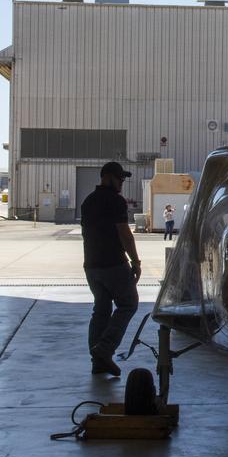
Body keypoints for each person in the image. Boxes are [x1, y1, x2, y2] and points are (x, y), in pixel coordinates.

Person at [80, 161, 141, 377]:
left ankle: (98, 362)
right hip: (113, 264)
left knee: (102, 311)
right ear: (106, 177)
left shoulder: (88, 202)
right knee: (128, 304)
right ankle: (104, 350)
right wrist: (136, 261)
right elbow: (125, 234)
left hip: (92, 266)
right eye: (119, 178)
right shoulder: (115, 201)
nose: (122, 182)